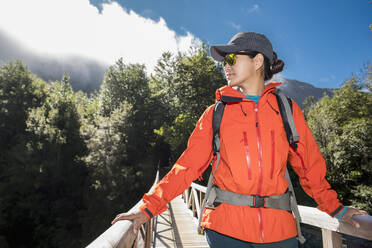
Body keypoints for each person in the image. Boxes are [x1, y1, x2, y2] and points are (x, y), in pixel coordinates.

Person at [111, 32, 368, 247]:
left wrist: (336, 208)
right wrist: (146, 208)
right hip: (225, 231)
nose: (226, 64)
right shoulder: (216, 113)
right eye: (224, 60)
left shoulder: (287, 110)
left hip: (281, 232)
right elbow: (186, 167)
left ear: (258, 61)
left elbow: (309, 165)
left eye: (233, 58)